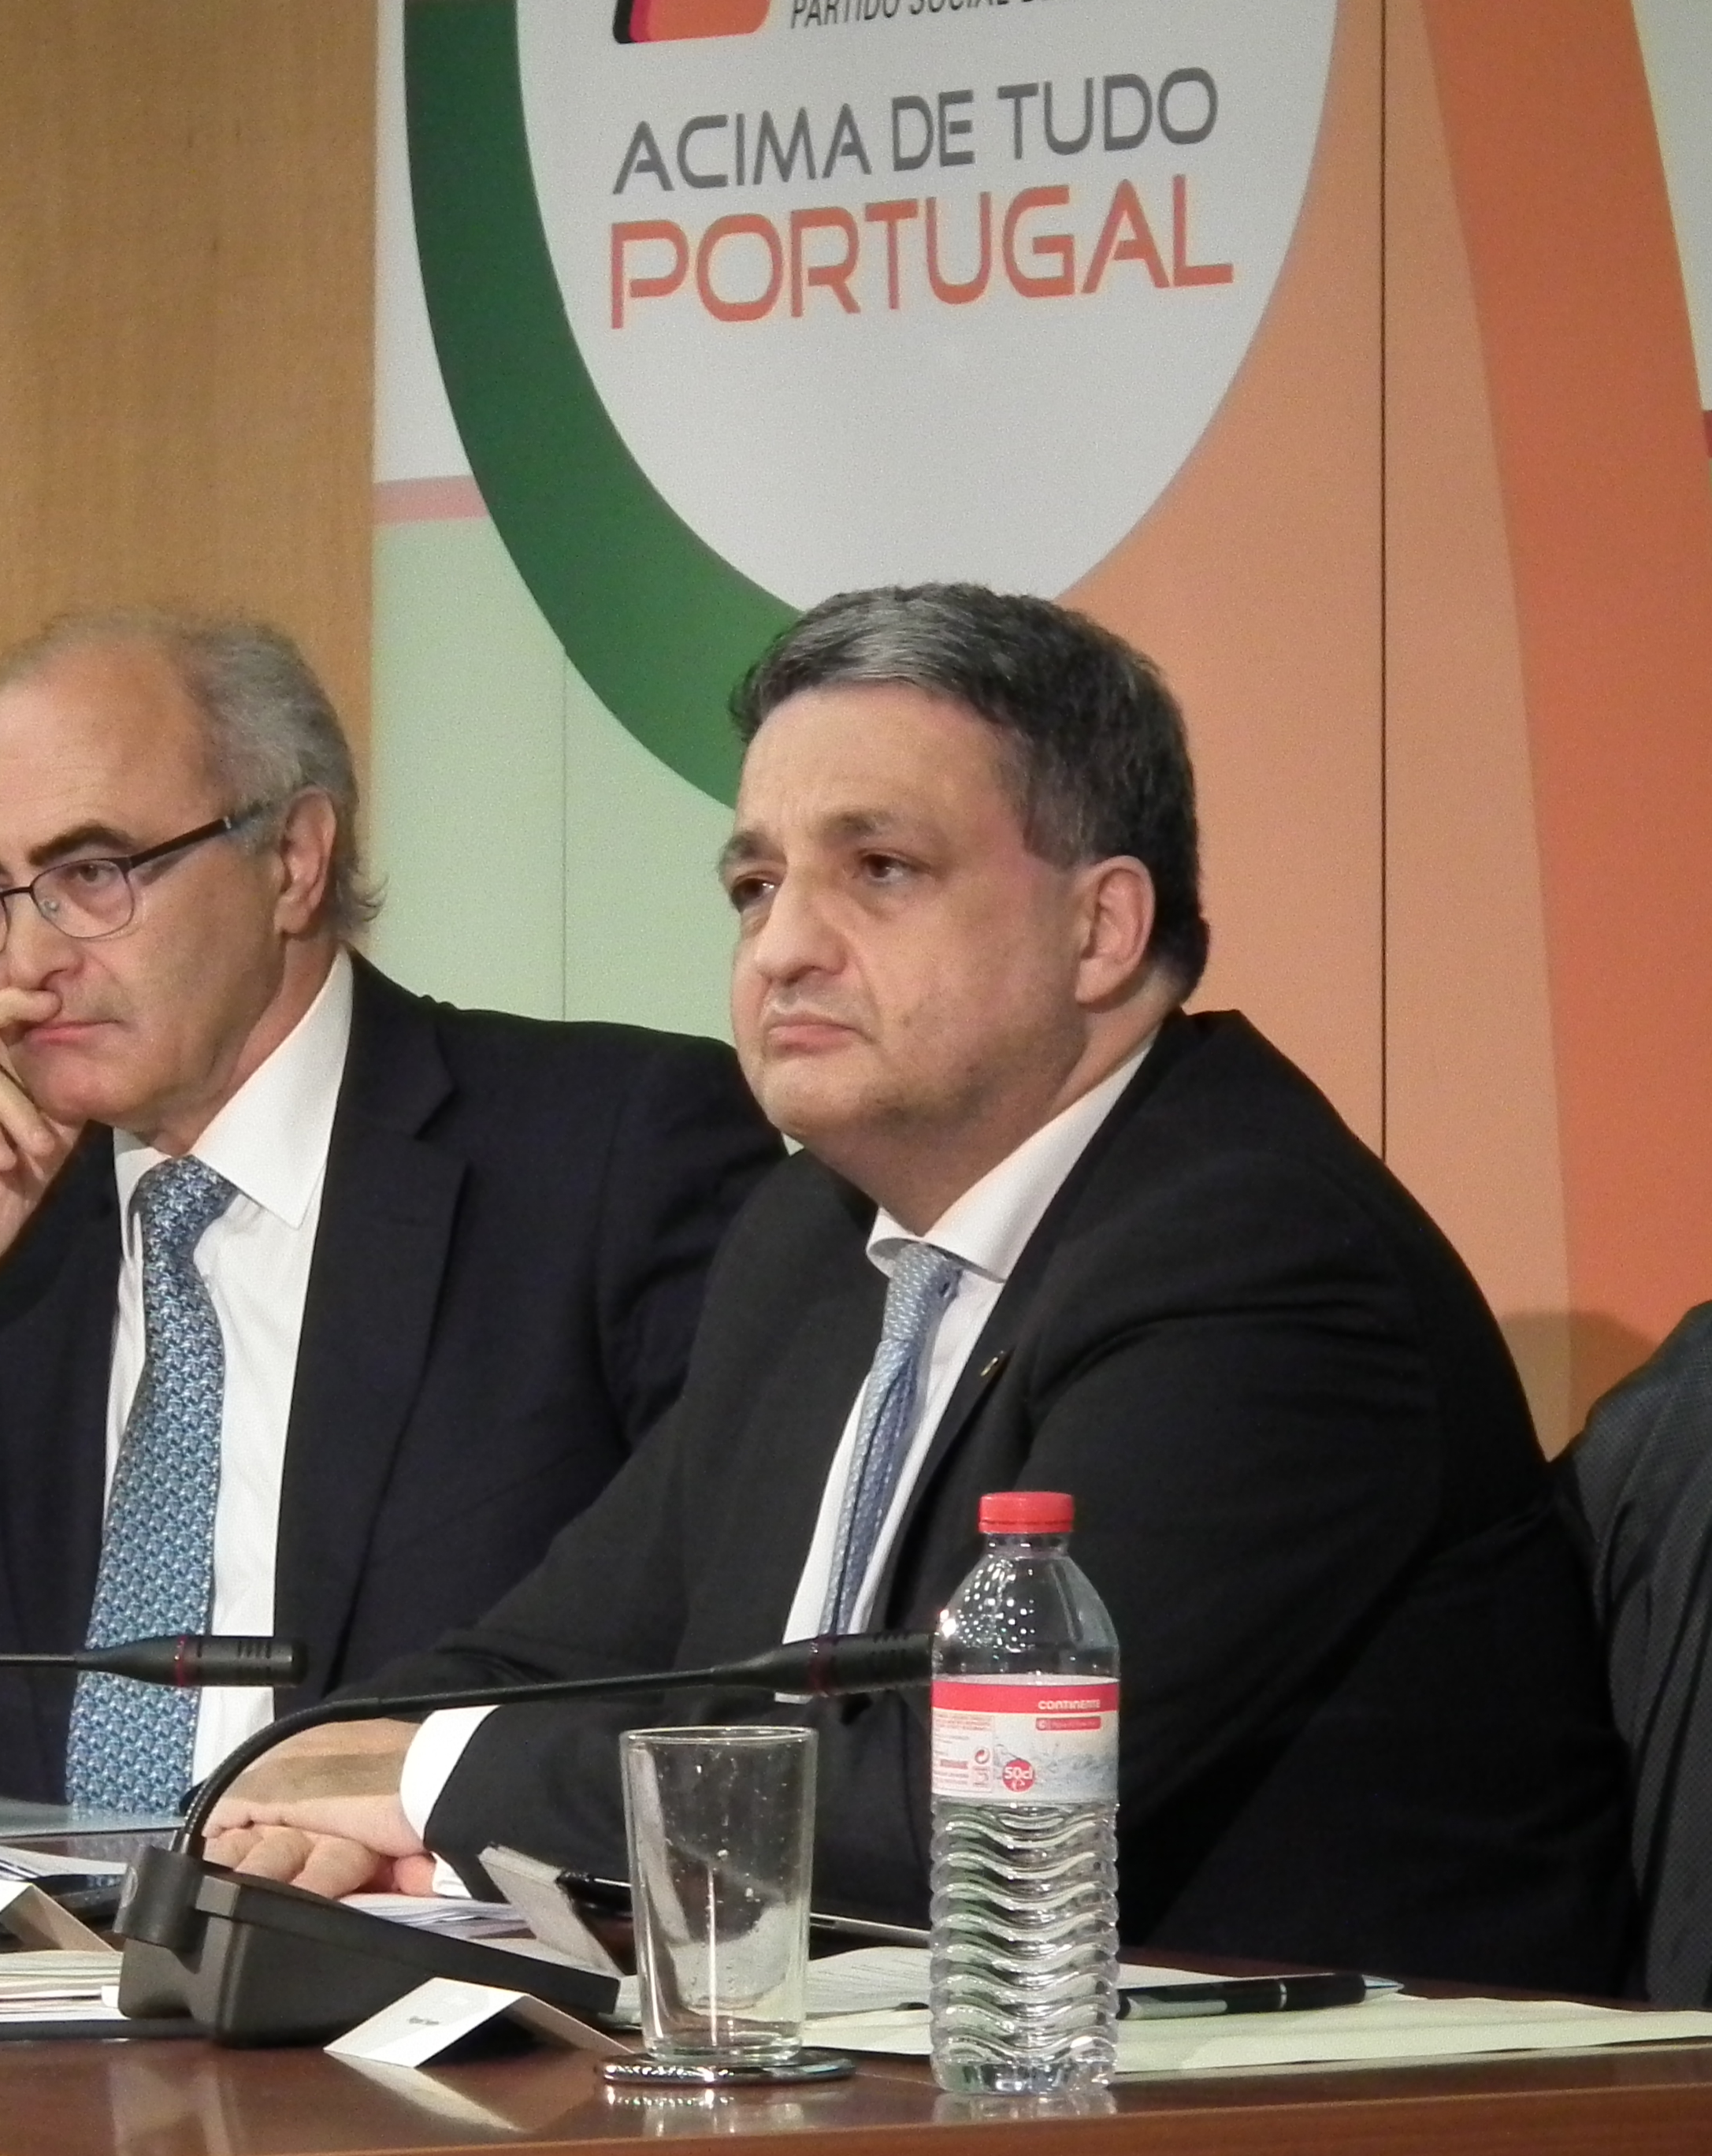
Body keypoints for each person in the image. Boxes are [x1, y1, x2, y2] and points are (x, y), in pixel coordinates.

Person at [203, 584, 1637, 1992]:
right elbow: (549, 1655)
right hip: (903, 2057)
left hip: (1333, 2086)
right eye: (756, 886)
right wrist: (306, 1782)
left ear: (1102, 928)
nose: (782, 948)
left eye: (880, 869)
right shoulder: (813, 1240)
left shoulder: (1254, 1259)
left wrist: (433, 1789)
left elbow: (966, 1814)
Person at [0, 609, 781, 1807]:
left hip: (414, 1914)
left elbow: (733, 1667)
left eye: (90, 876)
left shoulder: (608, 1155)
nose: (24, 961)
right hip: (25, 1925)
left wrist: (415, 1805)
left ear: (292, 859)